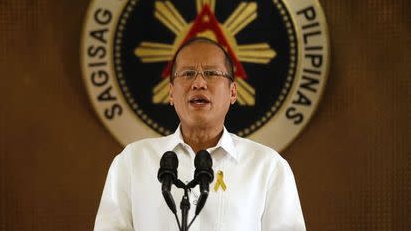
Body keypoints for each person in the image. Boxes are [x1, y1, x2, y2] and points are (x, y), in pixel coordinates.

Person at [94, 37, 306, 231]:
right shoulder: (133, 161)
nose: (198, 83)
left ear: (232, 92)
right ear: (170, 93)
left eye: (212, 73)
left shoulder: (267, 166)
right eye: (187, 74)